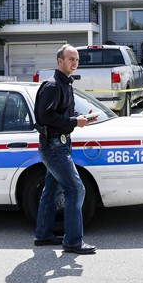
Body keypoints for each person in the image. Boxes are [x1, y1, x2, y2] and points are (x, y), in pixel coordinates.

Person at [33, 44, 97, 255]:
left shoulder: (65, 84)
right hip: (53, 147)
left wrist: (83, 117)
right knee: (75, 189)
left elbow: (62, 112)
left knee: (52, 190)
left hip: (60, 144)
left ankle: (43, 235)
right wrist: (73, 121)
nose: (74, 63)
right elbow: (45, 117)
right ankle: (72, 242)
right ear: (59, 61)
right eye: (71, 59)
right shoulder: (52, 85)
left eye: (76, 59)